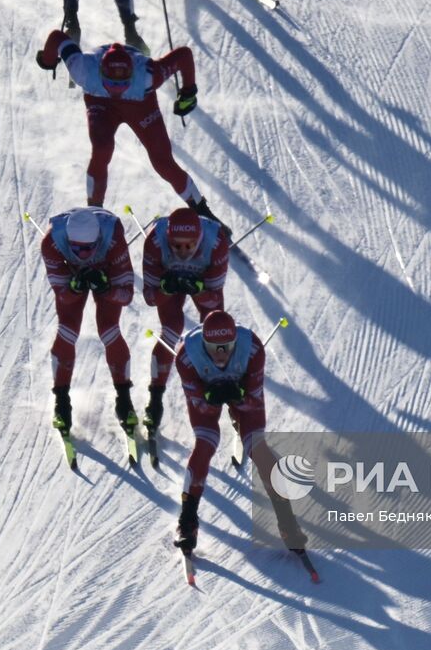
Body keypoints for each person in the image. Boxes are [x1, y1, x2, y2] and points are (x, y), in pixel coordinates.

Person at [36, 30, 224, 222]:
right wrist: (187, 93)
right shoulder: (83, 69)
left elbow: (184, 54)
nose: (117, 90)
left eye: (122, 84)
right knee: (102, 149)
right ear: (100, 71)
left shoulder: (147, 74)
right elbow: (57, 37)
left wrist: (47, 60)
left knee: (162, 161)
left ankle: (200, 208)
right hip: (114, 103)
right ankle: (95, 211)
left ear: (132, 74)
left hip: (132, 103)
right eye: (111, 83)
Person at [173, 310, 306, 554]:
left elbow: (253, 399)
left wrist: (238, 395)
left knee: (259, 448)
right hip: (207, 399)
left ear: (236, 341)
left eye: (227, 347)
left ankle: (288, 523)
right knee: (204, 446)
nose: (221, 354)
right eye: (214, 348)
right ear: (203, 344)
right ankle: (187, 521)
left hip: (241, 395)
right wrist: (213, 396)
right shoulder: (186, 357)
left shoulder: (253, 349)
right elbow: (198, 403)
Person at [42, 206, 138, 437]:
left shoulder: (113, 236)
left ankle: (124, 398)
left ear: (99, 240)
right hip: (73, 274)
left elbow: (126, 295)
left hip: (107, 269)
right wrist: (74, 286)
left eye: (89, 249)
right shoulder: (51, 243)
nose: (83, 254)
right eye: (76, 249)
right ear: (67, 239)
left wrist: (106, 287)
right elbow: (62, 294)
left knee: (109, 330)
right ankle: (61, 401)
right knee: (67, 331)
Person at [140, 207, 230, 434]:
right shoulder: (154, 241)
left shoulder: (216, 242)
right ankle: (155, 399)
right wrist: (166, 287)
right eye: (176, 246)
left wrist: (198, 289)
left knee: (213, 332)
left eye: (189, 246)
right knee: (171, 330)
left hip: (203, 281)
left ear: (199, 239)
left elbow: (213, 298)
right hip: (170, 281)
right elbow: (150, 298)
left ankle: (227, 394)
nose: (182, 252)